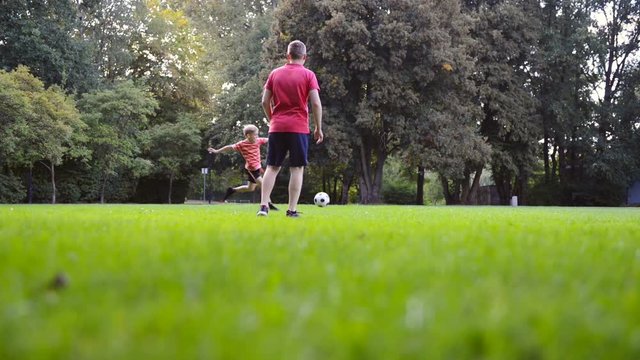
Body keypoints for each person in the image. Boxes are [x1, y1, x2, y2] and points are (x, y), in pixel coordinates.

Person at [258, 40, 323, 217]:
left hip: (277, 127)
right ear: (305, 57)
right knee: (297, 169)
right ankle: (291, 210)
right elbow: (316, 103)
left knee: (272, 167)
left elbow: (264, 101)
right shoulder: (309, 75)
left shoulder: (275, 74)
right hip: (299, 128)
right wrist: (318, 127)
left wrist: (272, 119)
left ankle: (263, 206)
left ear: (288, 56)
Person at [208, 124, 278, 210]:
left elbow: (270, 139)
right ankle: (268, 204)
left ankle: (232, 190)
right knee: (264, 185)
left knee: (250, 188)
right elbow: (229, 147)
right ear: (248, 135)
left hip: (256, 168)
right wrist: (216, 151)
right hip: (251, 169)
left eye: (257, 134)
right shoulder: (241, 144)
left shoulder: (258, 141)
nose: (257, 136)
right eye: (255, 135)